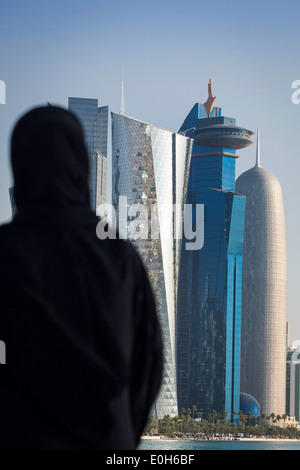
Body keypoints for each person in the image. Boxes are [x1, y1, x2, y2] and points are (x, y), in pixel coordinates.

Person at [0, 106, 163, 450]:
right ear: (82, 167)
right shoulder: (120, 256)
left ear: (20, 165)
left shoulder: (6, 251)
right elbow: (148, 365)